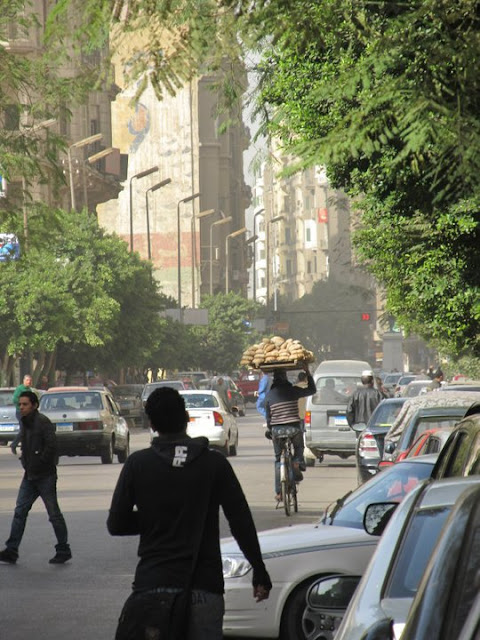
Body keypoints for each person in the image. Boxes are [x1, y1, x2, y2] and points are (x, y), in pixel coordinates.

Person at [107, 387, 271, 640]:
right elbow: (240, 520)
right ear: (186, 417)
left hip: (152, 586)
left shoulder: (137, 464)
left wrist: (157, 518)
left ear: (151, 423)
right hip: (204, 588)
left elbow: (116, 524)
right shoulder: (214, 463)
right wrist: (258, 569)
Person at [0, 391, 71, 565]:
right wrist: (25, 460)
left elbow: (52, 446)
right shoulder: (25, 422)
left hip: (45, 476)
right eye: (20, 404)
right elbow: (26, 444)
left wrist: (41, 462)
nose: (21, 407)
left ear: (34, 405)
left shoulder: (43, 422)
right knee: (19, 512)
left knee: (54, 514)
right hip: (30, 476)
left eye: (25, 404)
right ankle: (12, 550)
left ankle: (63, 549)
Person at [265, 363, 316, 502]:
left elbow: (268, 418)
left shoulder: (269, 395)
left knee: (277, 460)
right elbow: (312, 390)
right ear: (285, 378)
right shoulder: (293, 390)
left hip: (276, 431)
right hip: (294, 429)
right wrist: (308, 372)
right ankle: (297, 462)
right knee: (299, 448)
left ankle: (279, 493)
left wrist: (270, 430)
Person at [11, 374, 33, 453]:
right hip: (20, 412)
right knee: (24, 428)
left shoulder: (29, 390)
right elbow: (14, 399)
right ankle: (14, 444)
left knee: (28, 429)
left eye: (30, 381)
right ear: (24, 380)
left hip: (28, 413)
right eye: (27, 380)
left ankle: (25, 447)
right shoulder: (20, 389)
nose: (28, 382)